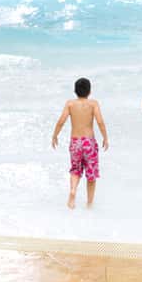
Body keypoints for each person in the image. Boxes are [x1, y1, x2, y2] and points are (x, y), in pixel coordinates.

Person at [51, 78, 109, 210]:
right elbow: (100, 121)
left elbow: (61, 121)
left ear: (75, 91)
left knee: (75, 170)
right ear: (90, 91)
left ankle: (72, 191)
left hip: (75, 142)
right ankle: (89, 204)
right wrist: (105, 137)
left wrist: (55, 135)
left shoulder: (70, 104)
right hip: (89, 143)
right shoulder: (93, 104)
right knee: (91, 174)